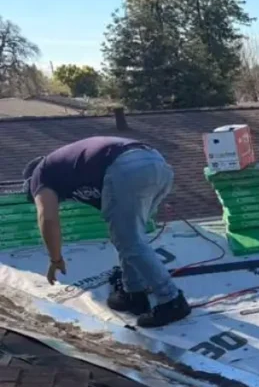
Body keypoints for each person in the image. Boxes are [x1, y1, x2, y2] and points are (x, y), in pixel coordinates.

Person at [23, 136, 191, 328]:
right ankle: (133, 293)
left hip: (126, 166)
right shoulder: (74, 174)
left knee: (130, 240)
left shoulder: (41, 175)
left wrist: (55, 259)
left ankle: (171, 300)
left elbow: (48, 218)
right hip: (154, 163)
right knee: (128, 237)